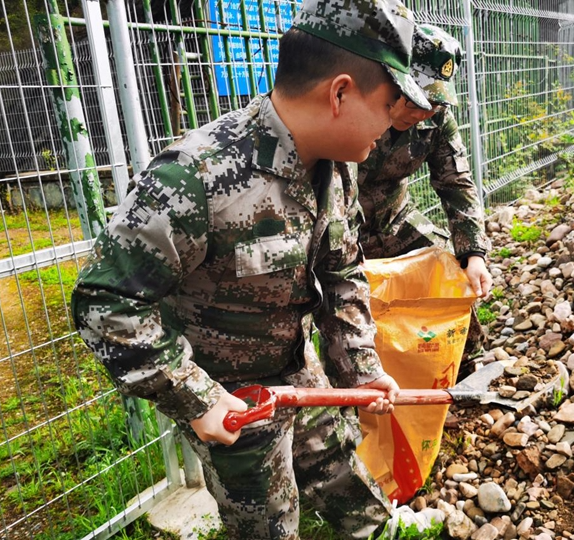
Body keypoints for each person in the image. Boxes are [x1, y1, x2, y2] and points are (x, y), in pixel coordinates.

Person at [70, 0, 432, 538]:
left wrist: (357, 366)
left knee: (340, 478)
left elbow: (342, 270)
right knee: (267, 524)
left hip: (294, 372)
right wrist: (196, 398)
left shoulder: (339, 164)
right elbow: (104, 303)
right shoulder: (198, 178)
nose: (395, 122)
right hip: (231, 400)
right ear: (339, 93)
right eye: (389, 103)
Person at [358, 25, 492, 374]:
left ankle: (460, 369)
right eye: (417, 98)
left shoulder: (438, 117)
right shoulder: (359, 106)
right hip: (342, 228)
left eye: (434, 101)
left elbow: (456, 182)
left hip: (395, 219)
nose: (424, 111)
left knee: (449, 270)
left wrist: (473, 253)